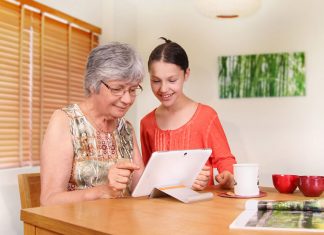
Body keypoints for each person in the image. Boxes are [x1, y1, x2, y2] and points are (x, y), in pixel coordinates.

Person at [40, 42, 145, 205]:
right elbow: (49, 200)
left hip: (120, 224)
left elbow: (142, 189)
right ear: (92, 84)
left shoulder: (126, 128)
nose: (127, 99)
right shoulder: (65, 121)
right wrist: (103, 191)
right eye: (117, 89)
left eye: (132, 90)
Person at [140, 37, 236, 191]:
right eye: (156, 81)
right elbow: (147, 175)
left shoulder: (206, 117)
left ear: (186, 75)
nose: (163, 89)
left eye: (172, 80)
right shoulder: (146, 123)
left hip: (200, 210)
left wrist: (227, 177)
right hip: (159, 211)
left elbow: (225, 161)